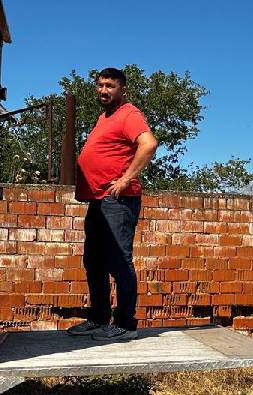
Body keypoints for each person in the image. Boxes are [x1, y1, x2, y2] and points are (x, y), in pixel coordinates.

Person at [66, 67, 159, 342]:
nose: (104, 90)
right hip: (98, 200)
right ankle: (98, 318)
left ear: (122, 90)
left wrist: (125, 179)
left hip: (118, 200)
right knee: (94, 261)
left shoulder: (129, 113)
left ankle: (126, 324)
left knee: (119, 261)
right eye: (100, 85)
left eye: (110, 86)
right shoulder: (104, 117)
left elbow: (149, 144)